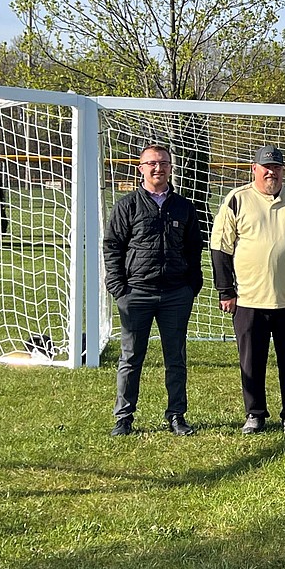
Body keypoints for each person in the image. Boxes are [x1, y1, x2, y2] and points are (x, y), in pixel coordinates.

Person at [210, 145, 285, 435]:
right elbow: (221, 247)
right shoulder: (237, 199)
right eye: (266, 167)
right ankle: (255, 414)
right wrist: (226, 291)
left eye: (277, 167)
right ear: (254, 169)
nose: (271, 172)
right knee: (251, 360)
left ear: (284, 170)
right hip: (249, 299)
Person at [103, 144, 204, 437]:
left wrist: (191, 285)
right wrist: (118, 288)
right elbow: (112, 248)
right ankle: (124, 417)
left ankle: (176, 415)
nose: (158, 168)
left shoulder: (184, 206)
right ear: (141, 168)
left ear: (171, 167)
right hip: (136, 293)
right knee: (131, 357)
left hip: (176, 294)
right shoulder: (127, 206)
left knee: (176, 357)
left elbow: (194, 249)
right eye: (151, 163)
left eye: (163, 163)